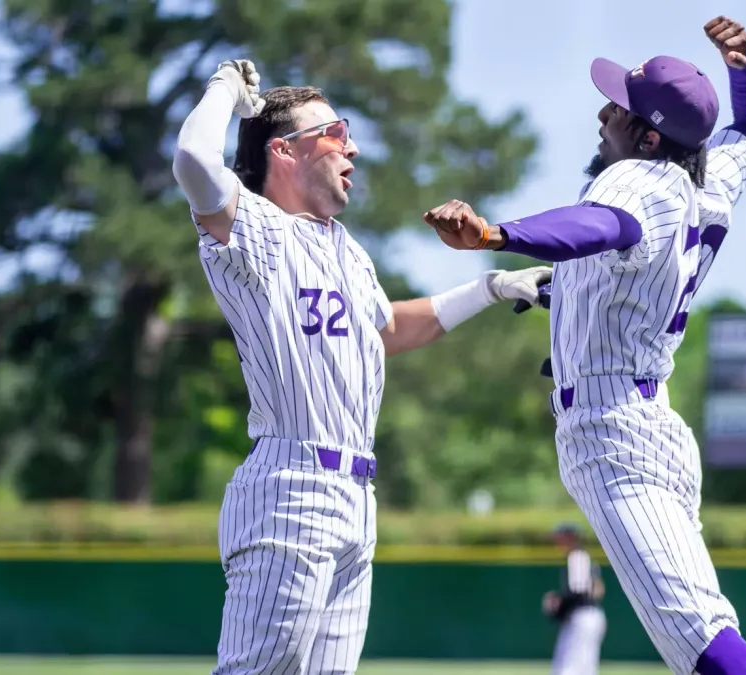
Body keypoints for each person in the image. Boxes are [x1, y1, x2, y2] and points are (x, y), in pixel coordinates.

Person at [422, 16, 746, 675]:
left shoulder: (639, 177)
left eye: (620, 109)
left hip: (613, 434)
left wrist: (494, 232)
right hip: (649, 421)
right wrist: (742, 68)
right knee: (706, 641)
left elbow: (600, 224)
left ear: (649, 135)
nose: (604, 113)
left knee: (709, 649)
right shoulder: (705, 177)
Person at [171, 59, 552, 675]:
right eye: (333, 130)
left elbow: (387, 331)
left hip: (355, 498)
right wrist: (224, 89)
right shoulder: (257, 229)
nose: (351, 144)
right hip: (291, 483)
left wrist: (492, 288)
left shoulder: (345, 248)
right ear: (284, 150)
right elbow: (192, 159)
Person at [542, 523, 607, 675]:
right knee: (584, 667)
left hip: (583, 617)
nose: (557, 540)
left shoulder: (577, 556)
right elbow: (597, 589)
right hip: (588, 616)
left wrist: (559, 603)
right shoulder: (583, 556)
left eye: (560, 537)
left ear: (570, 537)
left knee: (569, 667)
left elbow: (579, 591)